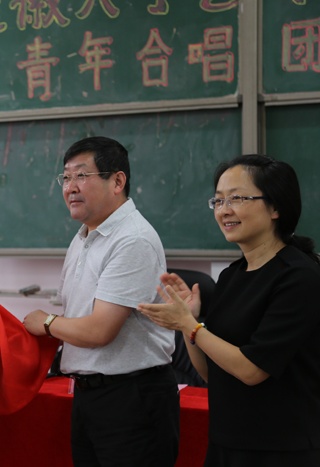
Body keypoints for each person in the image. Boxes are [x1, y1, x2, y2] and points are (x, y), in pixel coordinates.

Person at [138, 154, 320, 466]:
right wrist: (188, 321)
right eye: (218, 200)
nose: (224, 210)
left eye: (237, 198)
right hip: (227, 441)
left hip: (282, 448)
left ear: (275, 207)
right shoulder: (231, 276)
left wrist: (192, 326)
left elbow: (251, 370)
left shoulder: (299, 276)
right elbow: (213, 373)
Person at [23, 136, 180, 467]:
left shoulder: (132, 239)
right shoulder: (84, 236)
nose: (70, 187)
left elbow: (99, 331)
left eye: (82, 175)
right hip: (89, 395)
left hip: (132, 399)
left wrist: (46, 323)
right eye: (66, 177)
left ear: (117, 182)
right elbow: (78, 314)